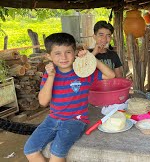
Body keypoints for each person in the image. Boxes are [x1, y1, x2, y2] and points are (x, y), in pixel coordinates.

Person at [24, 33, 115, 162]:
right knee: (30, 150)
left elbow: (111, 75)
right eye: (57, 53)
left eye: (68, 52)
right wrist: (51, 76)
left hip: (75, 120)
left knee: (57, 152)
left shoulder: (83, 72)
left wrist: (91, 58)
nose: (64, 57)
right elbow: (43, 102)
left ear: (75, 53)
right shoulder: (49, 74)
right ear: (48, 56)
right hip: (52, 119)